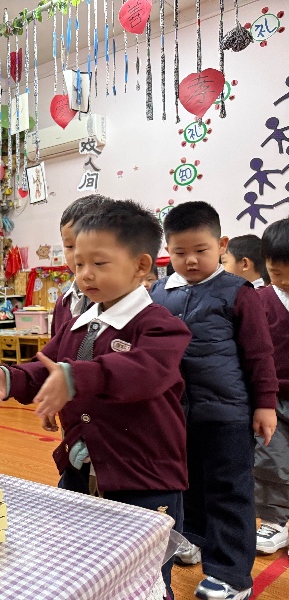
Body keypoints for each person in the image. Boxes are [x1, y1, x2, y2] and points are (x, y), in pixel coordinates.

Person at [0, 200, 192, 599]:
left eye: (99, 263)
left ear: (141, 266)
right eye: (78, 264)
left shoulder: (161, 326)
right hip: (80, 470)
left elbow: (143, 372)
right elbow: (46, 366)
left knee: (144, 574)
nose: (85, 274)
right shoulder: (79, 324)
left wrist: (76, 377)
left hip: (142, 478)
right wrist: (11, 379)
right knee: (82, 563)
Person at [150, 201, 278, 600]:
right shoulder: (158, 293)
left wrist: (265, 404)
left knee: (229, 493)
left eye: (201, 250)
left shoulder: (239, 292)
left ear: (221, 245)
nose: (190, 260)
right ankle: (192, 541)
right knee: (185, 487)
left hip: (227, 414)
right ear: (167, 250)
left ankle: (231, 576)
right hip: (175, 415)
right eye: (180, 252)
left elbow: (260, 354)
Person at [253, 219, 289, 556]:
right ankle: (275, 522)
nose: (285, 281)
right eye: (276, 273)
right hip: (272, 398)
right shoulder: (259, 301)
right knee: (271, 460)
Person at [51, 194, 114, 336]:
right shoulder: (63, 303)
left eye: (87, 244)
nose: (77, 254)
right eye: (69, 246)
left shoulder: (118, 300)